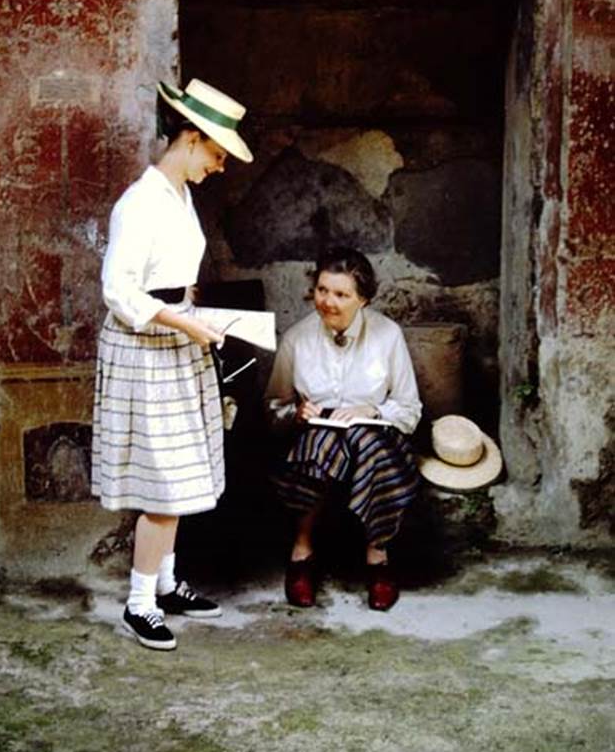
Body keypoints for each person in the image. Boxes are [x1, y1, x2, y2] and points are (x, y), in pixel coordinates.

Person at [91, 78, 253, 650]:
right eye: (216, 153)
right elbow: (119, 291)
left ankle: (164, 581)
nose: (220, 165)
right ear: (190, 138)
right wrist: (185, 322)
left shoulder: (180, 195)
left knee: (182, 471)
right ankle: (140, 604)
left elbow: (172, 281)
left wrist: (196, 317)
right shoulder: (139, 203)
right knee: (163, 482)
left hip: (177, 337)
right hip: (147, 347)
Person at [264, 246, 422, 612]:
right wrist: (297, 413)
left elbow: (410, 409)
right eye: (322, 290)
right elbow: (272, 407)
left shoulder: (387, 335)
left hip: (376, 434)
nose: (328, 302)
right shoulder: (297, 338)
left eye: (341, 294)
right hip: (318, 436)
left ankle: (377, 558)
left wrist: (372, 409)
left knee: (367, 443)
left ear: (362, 299)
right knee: (319, 442)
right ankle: (301, 553)